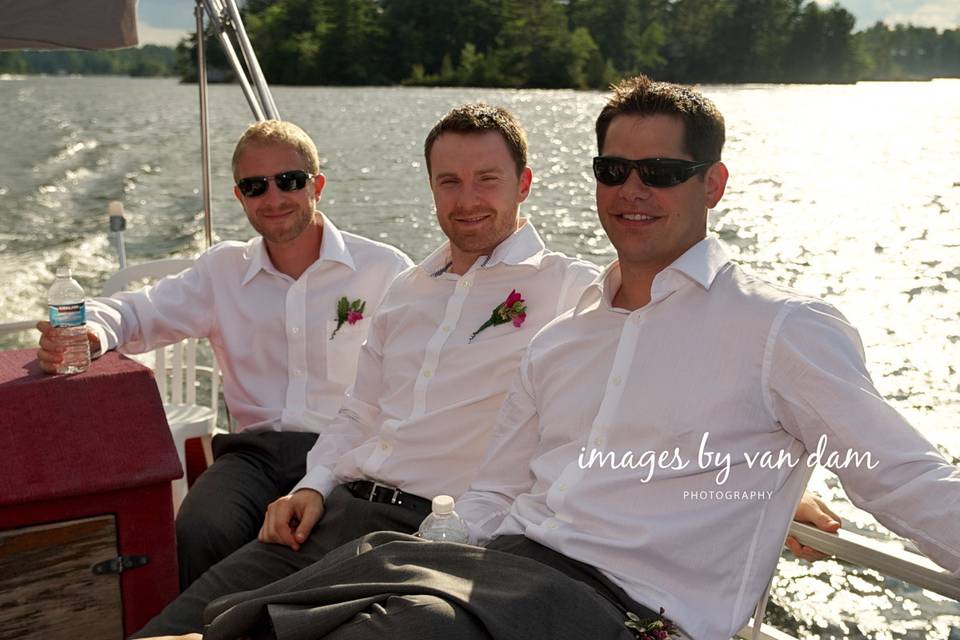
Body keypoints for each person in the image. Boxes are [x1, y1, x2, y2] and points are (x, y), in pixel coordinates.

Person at [164, 76, 959, 640]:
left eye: (663, 172)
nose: (633, 189)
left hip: (620, 608)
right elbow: (496, 488)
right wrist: (403, 538)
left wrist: (780, 484)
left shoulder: (777, 330)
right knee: (214, 625)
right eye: (614, 171)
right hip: (487, 563)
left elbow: (904, 475)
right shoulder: (568, 335)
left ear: (713, 184)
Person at [35, 120, 413, 590]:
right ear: (240, 197)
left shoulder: (385, 270)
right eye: (255, 186)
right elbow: (138, 312)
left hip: (348, 456)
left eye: (289, 181)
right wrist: (89, 332)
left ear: (317, 184)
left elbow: (420, 373)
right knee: (198, 533)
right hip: (253, 456)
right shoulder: (221, 272)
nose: (273, 198)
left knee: (325, 554)